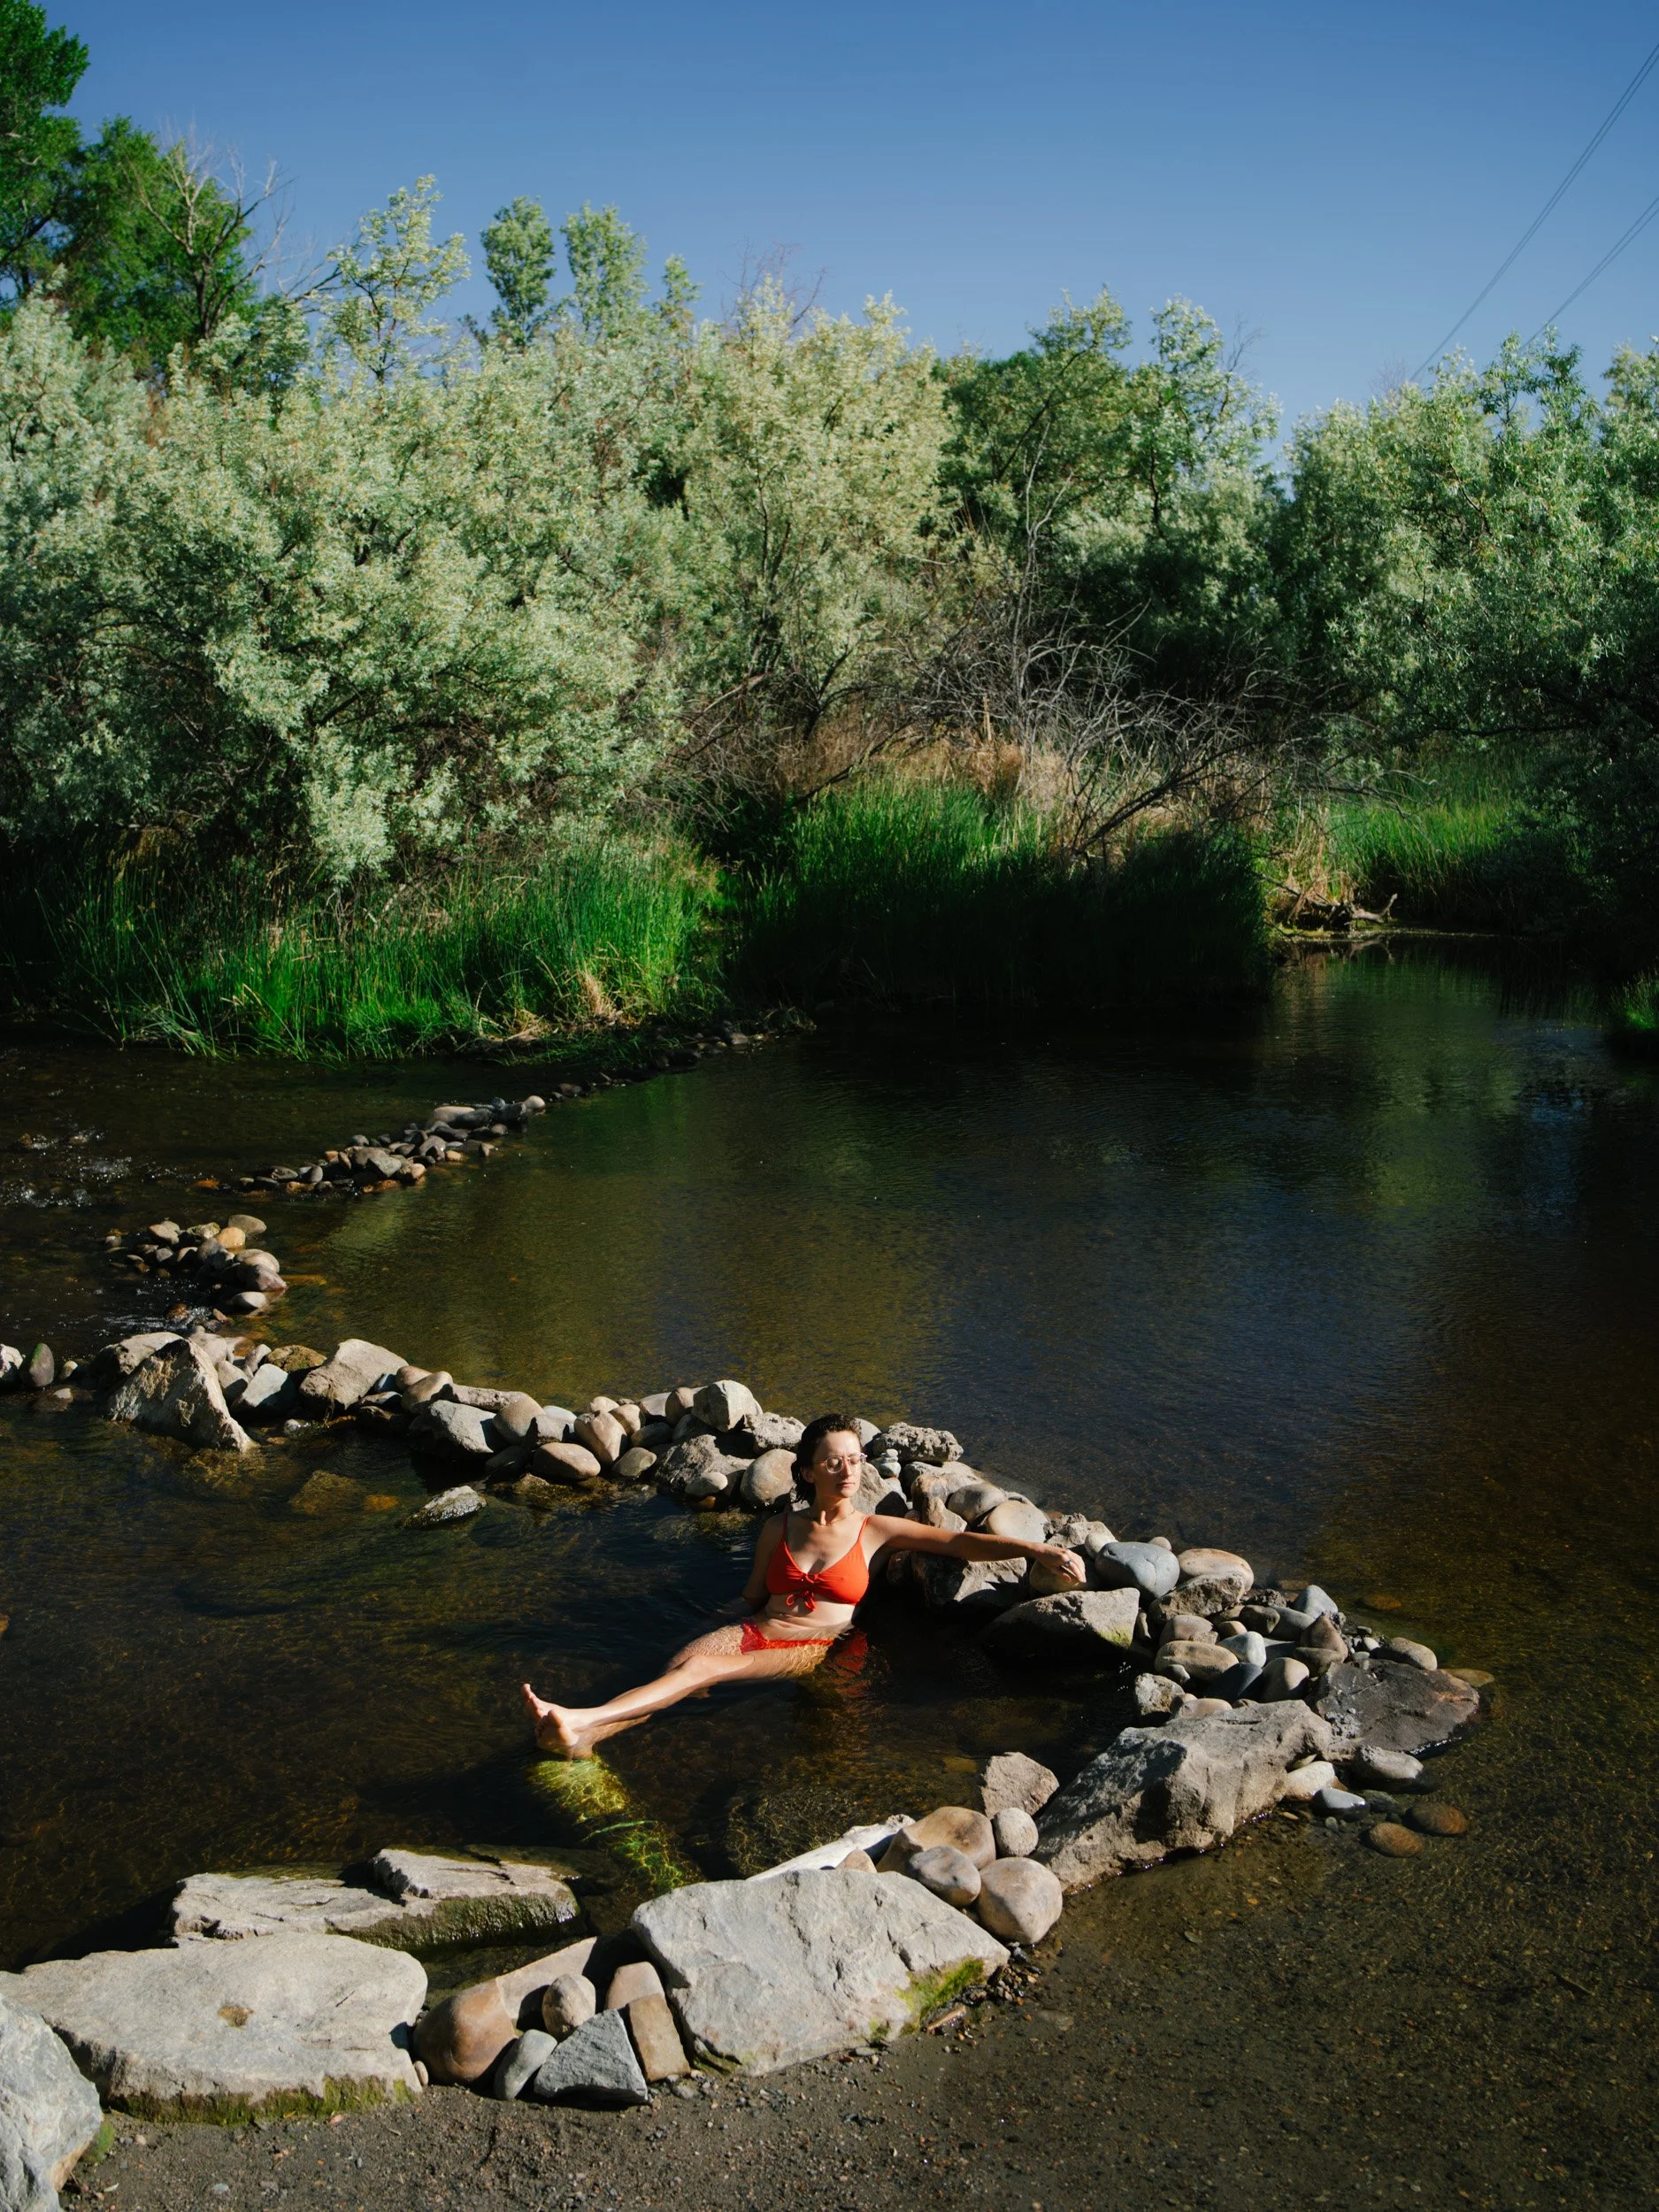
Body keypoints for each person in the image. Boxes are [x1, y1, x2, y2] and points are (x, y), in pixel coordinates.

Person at [521, 1411, 1086, 1757]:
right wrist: (708, 1625)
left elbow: (961, 1545)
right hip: (754, 1629)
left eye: (856, 1459)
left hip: (809, 1646)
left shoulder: (876, 1530)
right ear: (808, 1470)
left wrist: (1039, 1547)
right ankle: (586, 1739)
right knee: (683, 1668)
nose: (849, 1470)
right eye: (834, 1461)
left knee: (700, 1672)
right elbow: (751, 1598)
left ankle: (582, 1717)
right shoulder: (778, 1526)